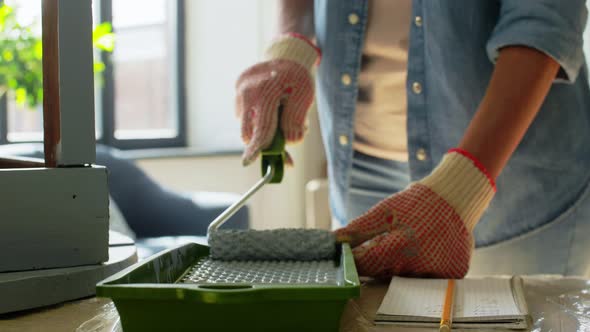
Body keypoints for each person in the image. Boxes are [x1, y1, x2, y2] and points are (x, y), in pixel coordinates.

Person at [235, 0, 590, 278]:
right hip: (360, 172)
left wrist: (461, 185)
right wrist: (292, 44)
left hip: (510, 179)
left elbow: (544, 18)